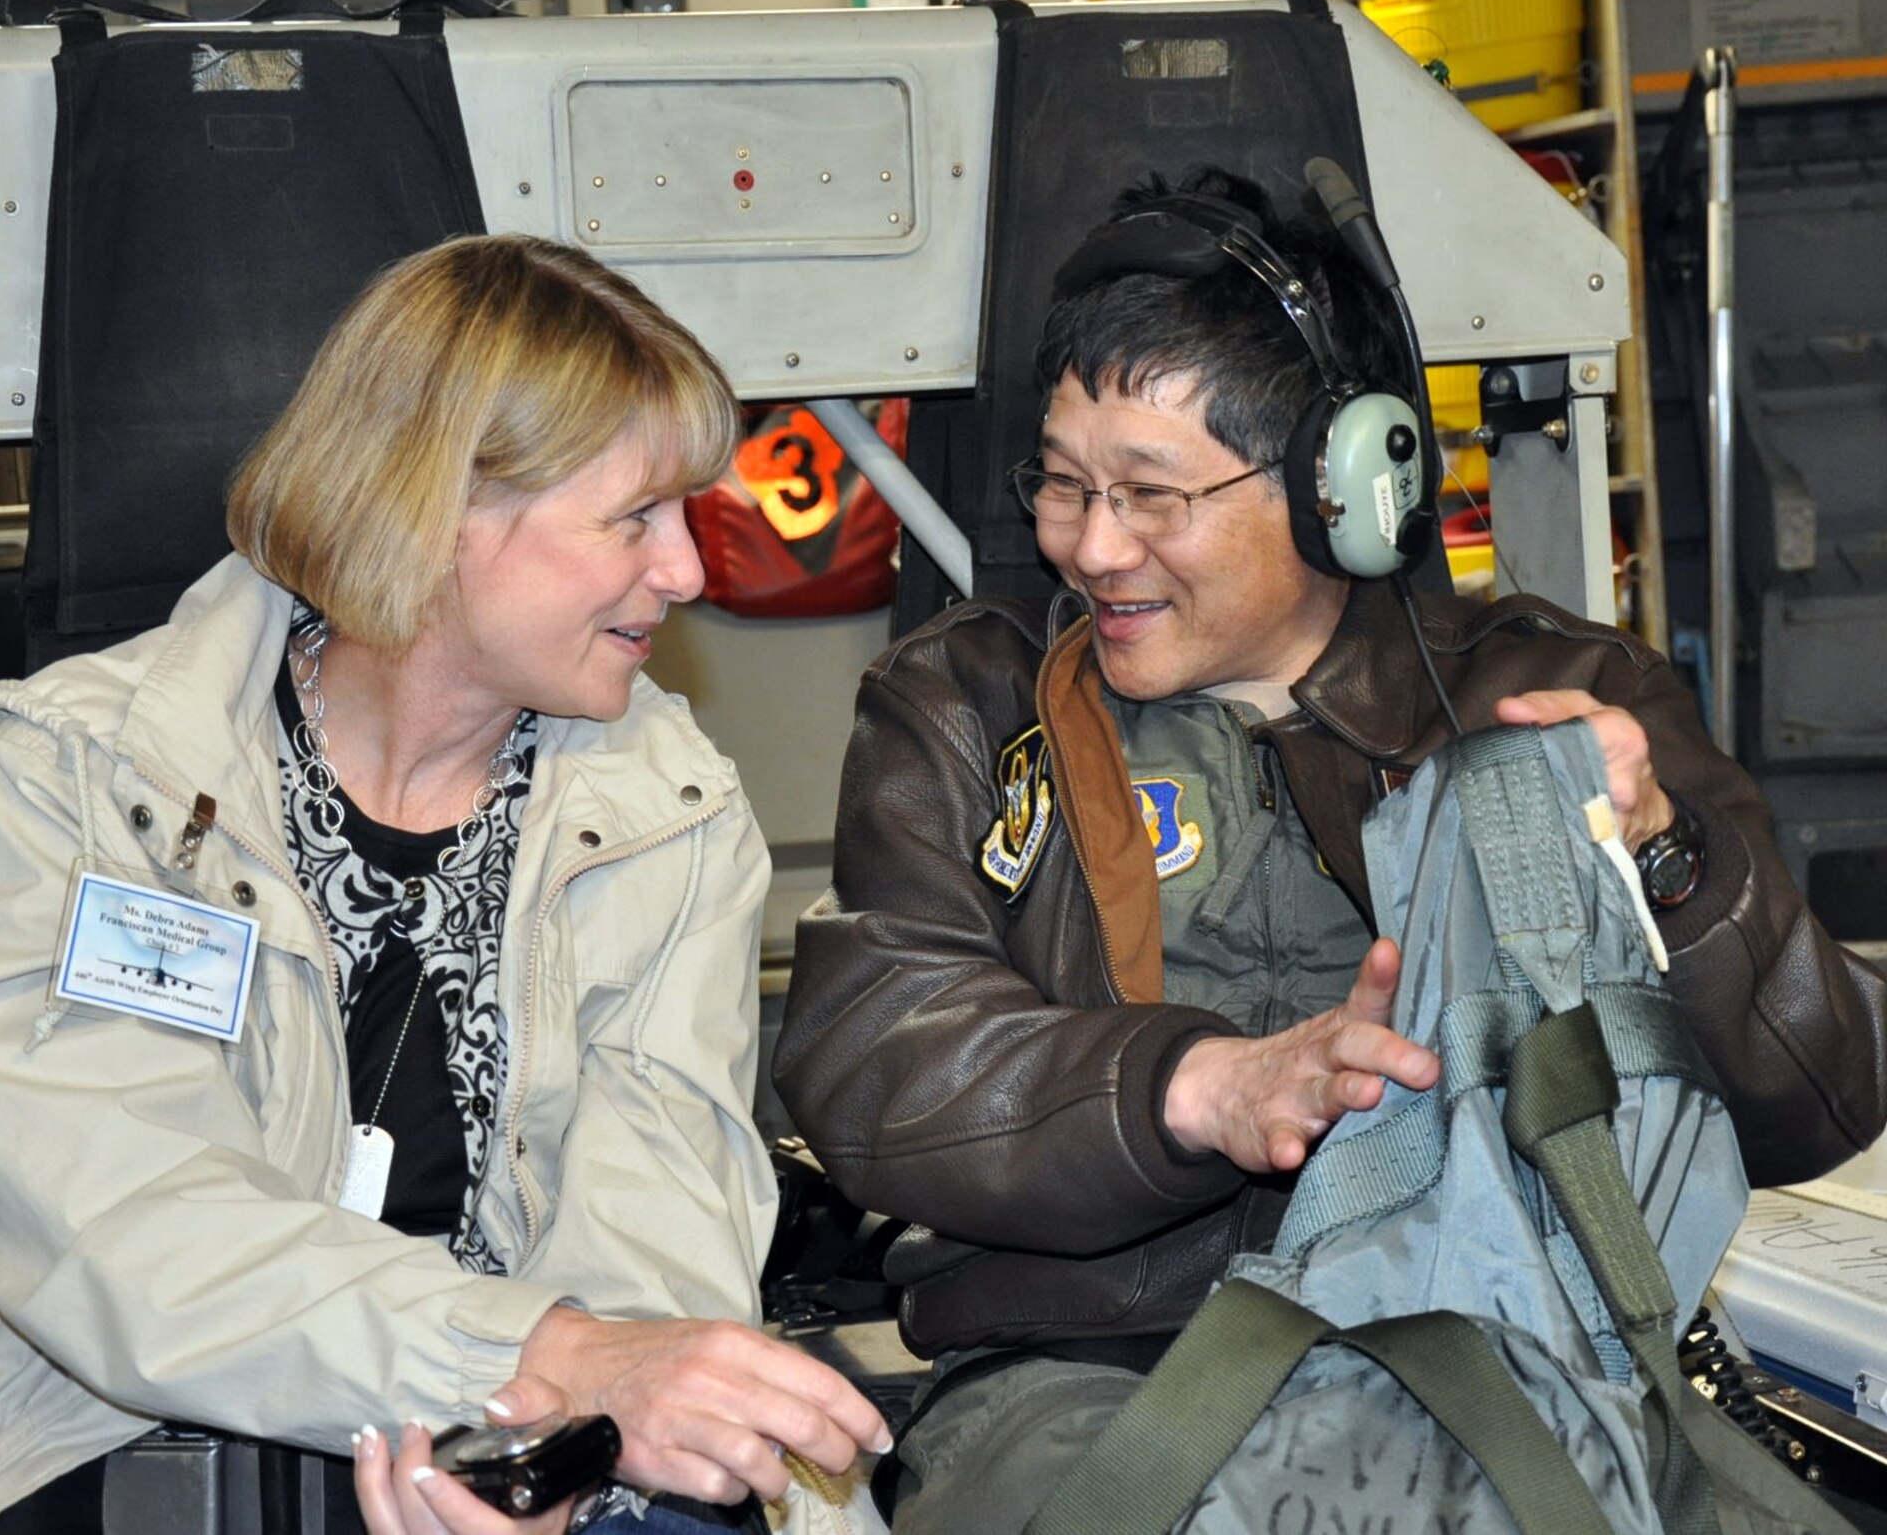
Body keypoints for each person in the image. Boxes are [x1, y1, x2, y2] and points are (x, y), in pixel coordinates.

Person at [773, 168, 1887, 1535]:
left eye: (1151, 496)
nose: (1090, 547)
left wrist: (1664, 860)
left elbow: (1815, 1106)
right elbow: (882, 1055)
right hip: (1093, 1372)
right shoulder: (968, 708)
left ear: (1338, 490)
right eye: (1063, 486)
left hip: (1524, 1354)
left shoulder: (1552, 699)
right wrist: (1198, 1089)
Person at [0, 233, 887, 1535]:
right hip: (131, 1436)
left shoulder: (668, 812)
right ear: (440, 514)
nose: (689, 572)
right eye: (635, 517)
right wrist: (528, 1368)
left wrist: (555, 1459)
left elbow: (661, 1210)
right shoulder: (92, 778)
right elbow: (131, 1234)